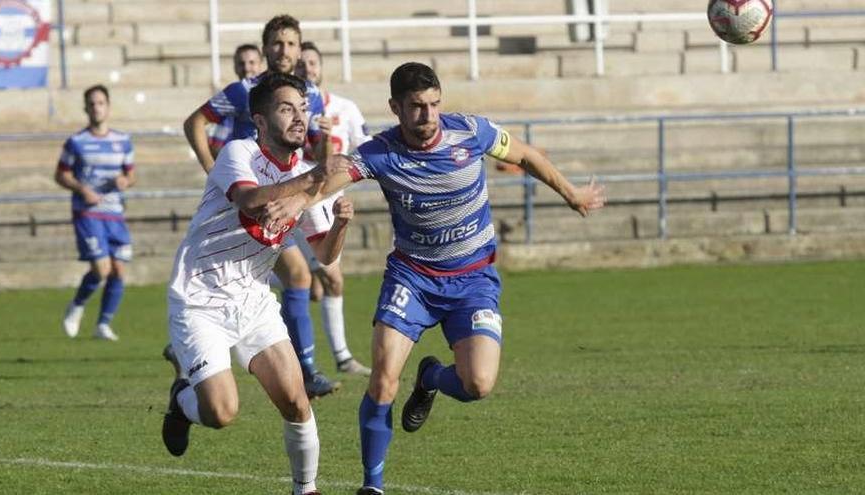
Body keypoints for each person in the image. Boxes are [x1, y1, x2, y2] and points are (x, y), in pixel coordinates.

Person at [270, 62, 607, 494]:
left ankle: (430, 378)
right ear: (395, 108)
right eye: (416, 107)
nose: (427, 115)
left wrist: (572, 193)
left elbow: (525, 155)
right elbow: (330, 178)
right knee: (384, 378)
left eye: (433, 104)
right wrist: (297, 201)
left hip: (473, 280)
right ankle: (372, 485)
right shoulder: (380, 152)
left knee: (478, 385)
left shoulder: (472, 132)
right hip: (412, 279)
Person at [161, 72, 353, 495]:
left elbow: (325, 256)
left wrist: (339, 223)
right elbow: (250, 199)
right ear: (260, 121)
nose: (300, 118)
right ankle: (181, 400)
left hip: (253, 299)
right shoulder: (239, 152)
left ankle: (306, 489)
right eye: (287, 109)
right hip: (201, 298)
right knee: (221, 411)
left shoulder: (308, 176)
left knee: (295, 399)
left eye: (303, 109)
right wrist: (316, 178)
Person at [181, 15, 339, 398]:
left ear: (301, 49)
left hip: (282, 194)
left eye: (291, 44)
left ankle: (292, 365)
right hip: (248, 201)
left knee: (297, 278)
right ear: (265, 47)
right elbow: (195, 122)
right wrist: (213, 169)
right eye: (277, 43)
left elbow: (315, 149)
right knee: (297, 277)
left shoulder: (309, 95)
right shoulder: (243, 91)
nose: (284, 50)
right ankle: (304, 369)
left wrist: (325, 153)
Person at [296, 41, 371, 376]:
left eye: (312, 62)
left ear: (321, 67)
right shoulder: (291, 109)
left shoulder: (345, 108)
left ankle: (337, 357)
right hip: (298, 195)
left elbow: (364, 150)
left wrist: (346, 178)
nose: (307, 68)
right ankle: (331, 358)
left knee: (325, 280)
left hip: (326, 200)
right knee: (320, 278)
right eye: (301, 64)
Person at [56, 84, 136, 342]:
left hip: (115, 213)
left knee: (119, 271)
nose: (96, 108)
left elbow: (131, 174)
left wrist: (125, 181)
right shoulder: (76, 142)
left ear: (108, 107)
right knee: (101, 269)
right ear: (85, 108)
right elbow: (60, 174)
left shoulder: (122, 141)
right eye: (91, 103)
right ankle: (77, 305)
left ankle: (103, 324)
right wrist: (82, 188)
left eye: (100, 103)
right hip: (88, 212)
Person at [206, 44, 265, 157]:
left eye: (252, 63)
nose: (247, 68)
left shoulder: (273, 93)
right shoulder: (231, 98)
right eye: (241, 63)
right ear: (235, 67)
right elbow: (216, 144)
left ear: (261, 65)